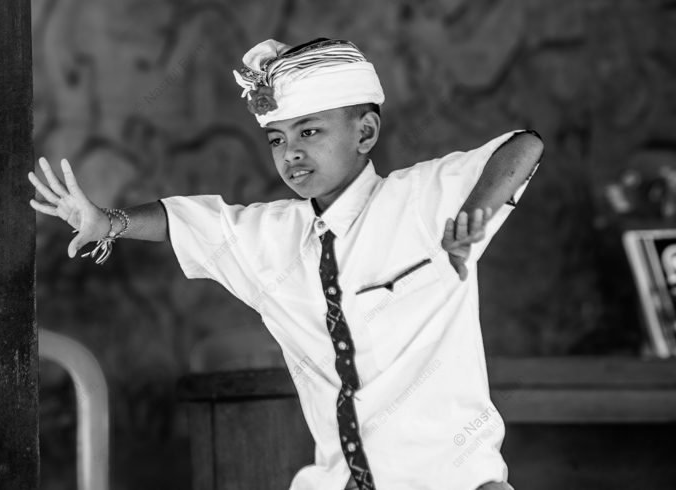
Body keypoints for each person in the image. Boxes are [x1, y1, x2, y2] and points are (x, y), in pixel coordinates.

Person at [29, 37, 542, 490]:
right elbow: (183, 219)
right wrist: (108, 221)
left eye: (310, 132)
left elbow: (522, 147)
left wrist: (475, 214)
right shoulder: (270, 238)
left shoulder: (421, 201)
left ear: (364, 134)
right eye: (278, 139)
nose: (291, 153)